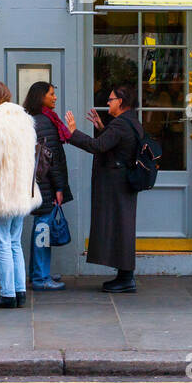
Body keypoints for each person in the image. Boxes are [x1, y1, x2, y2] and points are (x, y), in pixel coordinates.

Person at [66, 83, 142, 294]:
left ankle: (126, 278)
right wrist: (102, 128)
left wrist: (73, 132)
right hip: (123, 182)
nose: (107, 102)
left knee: (120, 227)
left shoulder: (120, 125)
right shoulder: (130, 122)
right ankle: (124, 276)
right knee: (121, 227)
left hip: (116, 184)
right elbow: (116, 145)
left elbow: (98, 146)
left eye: (111, 99)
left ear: (121, 102)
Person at [0, 81, 41, 309]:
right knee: (15, 242)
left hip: (3, 193)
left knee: (2, 243)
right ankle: (19, 291)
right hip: (22, 190)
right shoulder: (24, 119)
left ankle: (7, 294)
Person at [23, 81, 73, 291]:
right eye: (51, 94)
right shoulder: (45, 121)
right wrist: (59, 188)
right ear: (40, 97)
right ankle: (41, 278)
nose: (55, 97)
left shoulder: (35, 119)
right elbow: (51, 160)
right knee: (43, 229)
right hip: (46, 186)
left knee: (39, 228)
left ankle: (38, 273)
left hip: (39, 184)